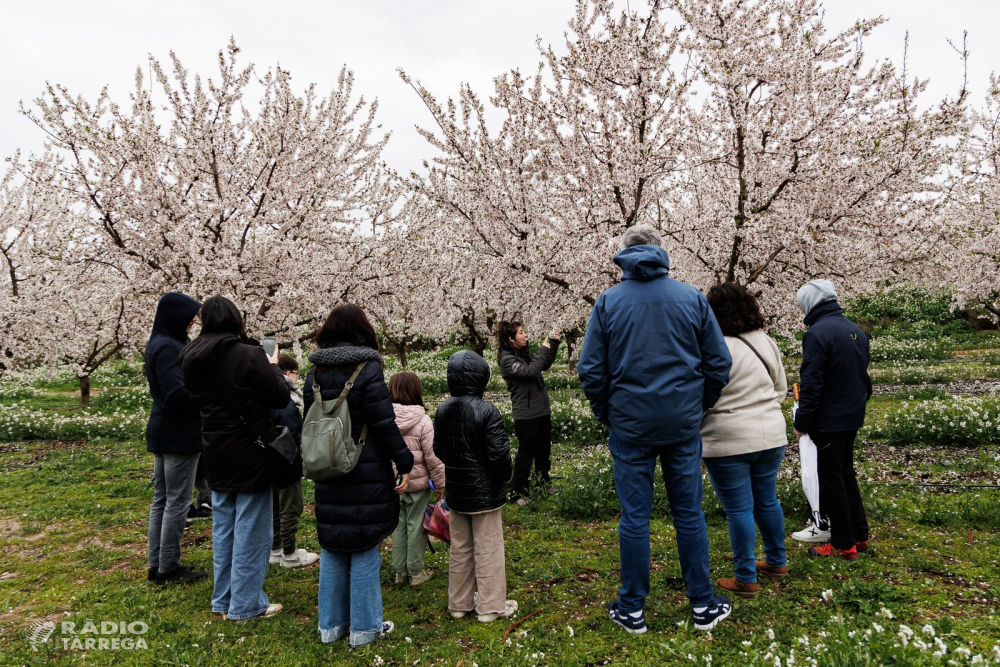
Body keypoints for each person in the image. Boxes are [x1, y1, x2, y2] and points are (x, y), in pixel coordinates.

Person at [577, 224, 733, 634]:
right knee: (688, 514)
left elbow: (590, 369)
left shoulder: (608, 302)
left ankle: (632, 607)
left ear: (624, 253)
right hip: (681, 426)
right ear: (661, 251)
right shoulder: (692, 298)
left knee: (634, 517)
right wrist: (697, 406)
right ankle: (702, 604)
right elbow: (719, 364)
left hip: (630, 426)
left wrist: (607, 412)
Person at [304, 304, 413, 647]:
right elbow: (383, 423)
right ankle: (366, 628)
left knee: (333, 543)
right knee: (365, 545)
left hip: (326, 468)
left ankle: (330, 627)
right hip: (365, 469)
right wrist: (404, 460)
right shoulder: (368, 369)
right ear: (362, 330)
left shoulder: (313, 373)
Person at [178, 296, 290, 621]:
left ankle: (222, 599)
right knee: (252, 530)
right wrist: (271, 367)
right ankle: (245, 605)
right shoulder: (248, 354)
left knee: (224, 528)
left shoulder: (188, 357)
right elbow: (279, 396)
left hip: (214, 449)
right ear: (235, 320)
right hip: (251, 450)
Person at [701, 282, 789, 599]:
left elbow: (703, 398)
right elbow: (780, 388)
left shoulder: (713, 347)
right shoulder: (765, 341)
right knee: (767, 500)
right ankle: (777, 562)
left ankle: (745, 577)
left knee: (739, 509)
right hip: (771, 433)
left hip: (728, 438)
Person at [433, 350, 517, 623]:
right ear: (480, 377)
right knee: (488, 548)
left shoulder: (443, 409)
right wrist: (503, 479)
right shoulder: (487, 411)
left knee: (460, 549)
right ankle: (491, 607)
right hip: (485, 495)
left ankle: (459, 604)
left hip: (457, 493)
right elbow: (499, 457)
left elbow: (439, 449)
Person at [793, 280, 872, 561]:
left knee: (831, 480)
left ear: (810, 303)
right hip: (852, 416)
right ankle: (859, 536)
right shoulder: (855, 330)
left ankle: (843, 543)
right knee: (846, 475)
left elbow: (811, 384)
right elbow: (865, 378)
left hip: (828, 419)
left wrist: (802, 421)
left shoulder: (817, 334)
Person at [144, 292, 207, 585]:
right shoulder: (168, 347)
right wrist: (211, 398)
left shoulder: (159, 343)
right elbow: (177, 393)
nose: (193, 321)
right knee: (177, 502)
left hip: (164, 429)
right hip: (179, 433)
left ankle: (156, 563)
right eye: (190, 315)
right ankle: (168, 567)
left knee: (162, 500)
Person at [388, 371, 446, 586]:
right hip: (418, 483)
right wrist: (440, 484)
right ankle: (415, 572)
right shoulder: (422, 420)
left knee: (399, 526)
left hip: (393, 483)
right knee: (416, 526)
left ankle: (399, 572)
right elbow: (433, 457)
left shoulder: (383, 418)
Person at [497, 321, 561, 506]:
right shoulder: (508, 360)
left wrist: (553, 344)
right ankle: (518, 493)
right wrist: (542, 348)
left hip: (541, 410)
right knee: (526, 454)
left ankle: (544, 484)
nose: (525, 335)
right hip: (526, 414)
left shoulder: (522, 354)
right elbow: (531, 371)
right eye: (520, 333)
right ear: (511, 339)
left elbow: (543, 365)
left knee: (543, 452)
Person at [268, 354, 318, 569]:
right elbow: (294, 430)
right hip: (286, 459)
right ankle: (290, 553)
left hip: (269, 459)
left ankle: (276, 548)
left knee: (275, 507)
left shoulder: (264, 393)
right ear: (287, 373)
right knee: (291, 506)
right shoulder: (283, 398)